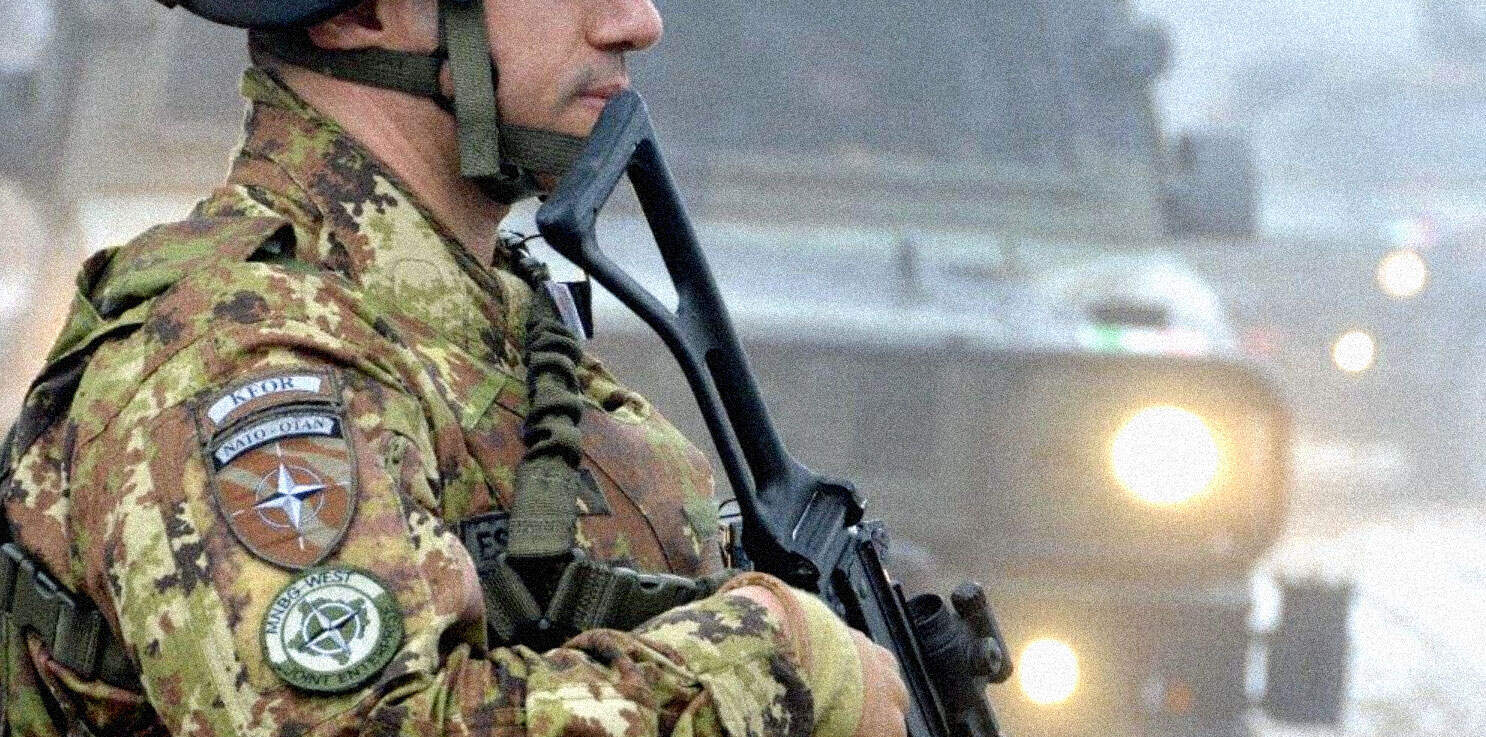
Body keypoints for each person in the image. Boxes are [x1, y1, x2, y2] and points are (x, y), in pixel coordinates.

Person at [0, 0, 909, 735]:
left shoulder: (487, 327)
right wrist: (769, 663)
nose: (637, 21)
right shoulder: (244, 359)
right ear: (359, 17)